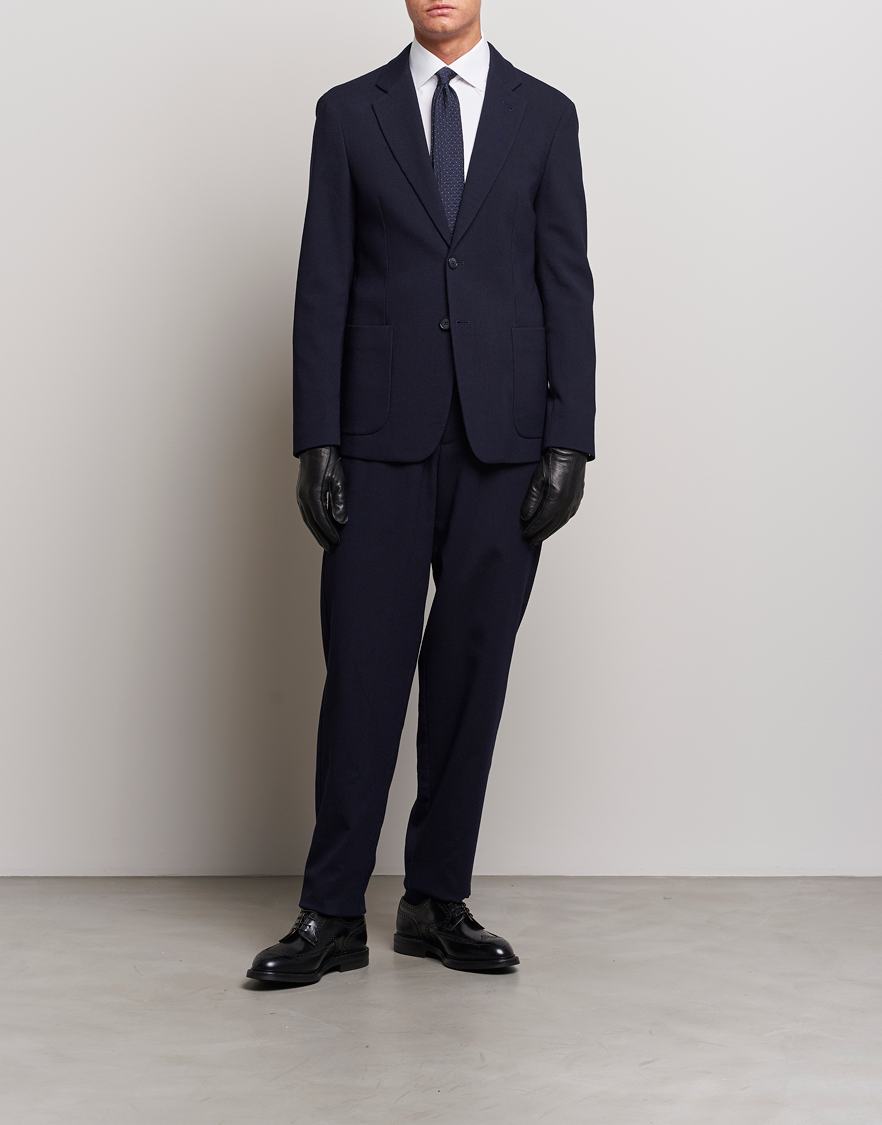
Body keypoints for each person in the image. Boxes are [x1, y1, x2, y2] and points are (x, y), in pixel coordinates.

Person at [248, 0, 595, 984]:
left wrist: (570, 439)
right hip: (377, 438)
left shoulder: (545, 115)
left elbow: (566, 281)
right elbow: (322, 279)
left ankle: (437, 901)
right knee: (362, 670)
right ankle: (331, 912)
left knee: (472, 675)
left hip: (504, 442)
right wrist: (316, 436)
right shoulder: (348, 114)